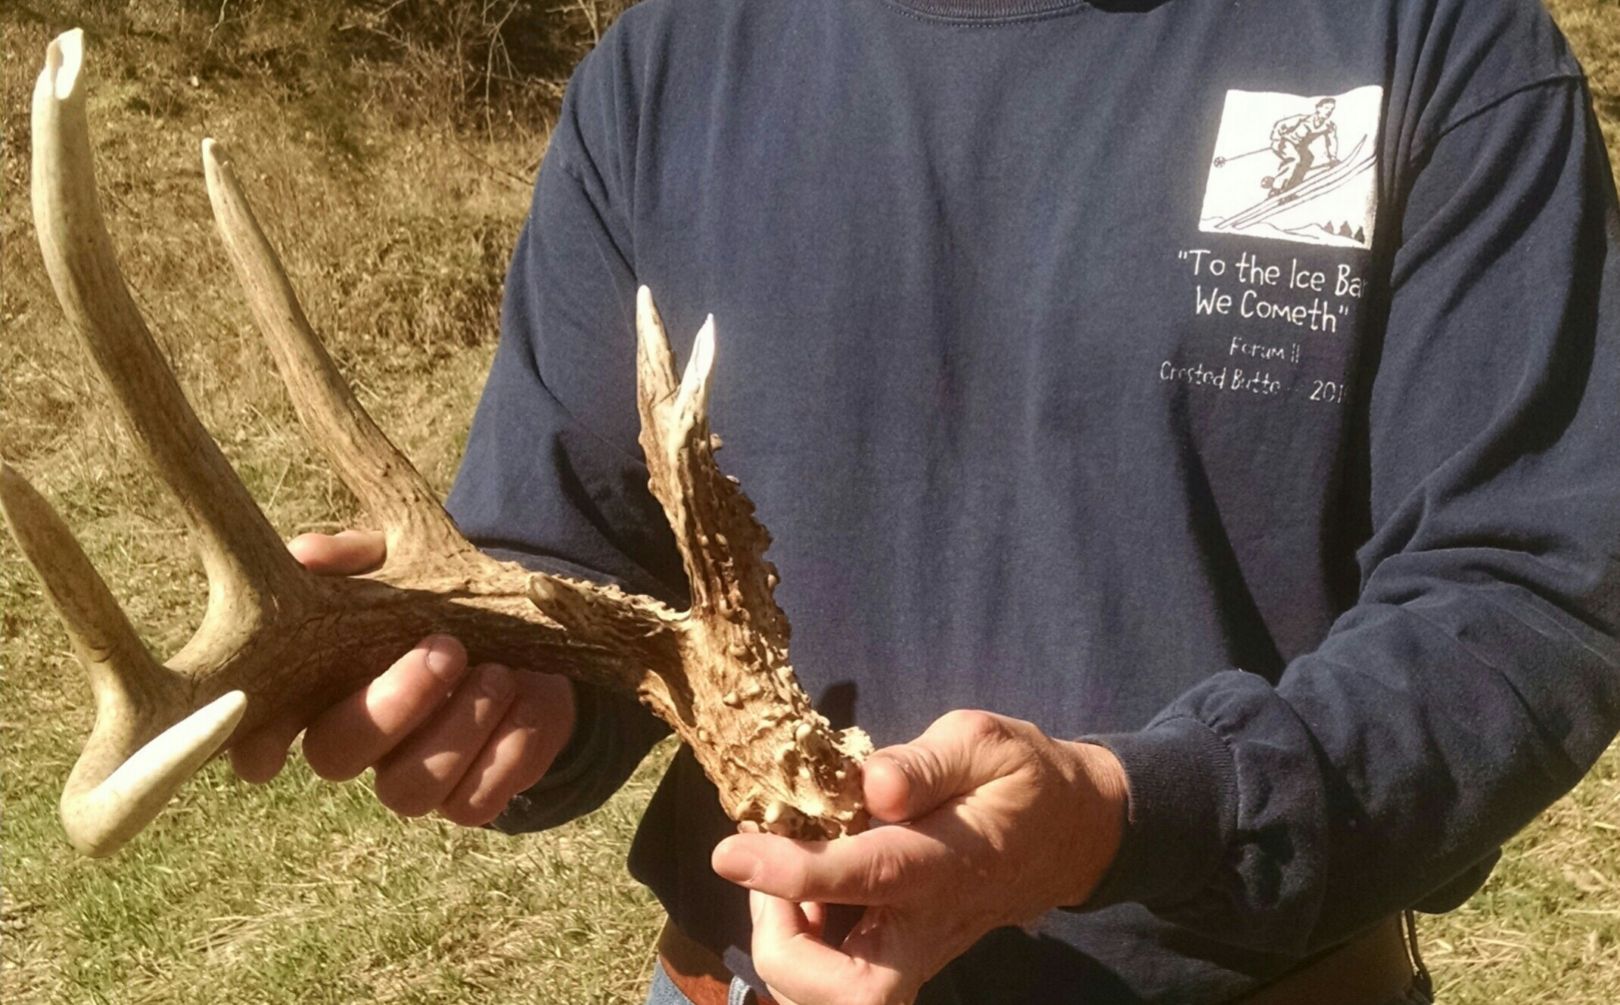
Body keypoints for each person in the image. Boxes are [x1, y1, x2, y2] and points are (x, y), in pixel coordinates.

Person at [230, 1, 1620, 1003]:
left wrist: (1132, 808)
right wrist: (497, 698)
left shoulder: (1434, 44)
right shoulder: (670, 68)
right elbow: (567, 555)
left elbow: (1531, 593)